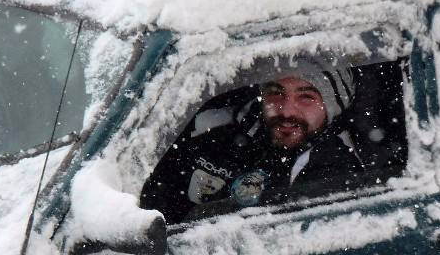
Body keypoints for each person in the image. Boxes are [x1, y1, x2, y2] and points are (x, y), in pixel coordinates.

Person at [140, 64, 376, 224]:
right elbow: (152, 199)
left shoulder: (336, 165)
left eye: (306, 97)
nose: (286, 110)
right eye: (276, 93)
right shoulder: (211, 126)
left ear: (332, 107)